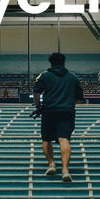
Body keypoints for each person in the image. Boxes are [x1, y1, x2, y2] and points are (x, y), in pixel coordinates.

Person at [33, 51, 84, 183]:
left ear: (51, 63)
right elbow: (79, 99)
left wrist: (38, 106)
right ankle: (65, 170)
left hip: (49, 111)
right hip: (67, 111)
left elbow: (36, 91)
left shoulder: (45, 76)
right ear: (63, 62)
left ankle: (51, 164)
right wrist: (67, 103)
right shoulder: (73, 78)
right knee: (64, 139)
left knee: (46, 139)